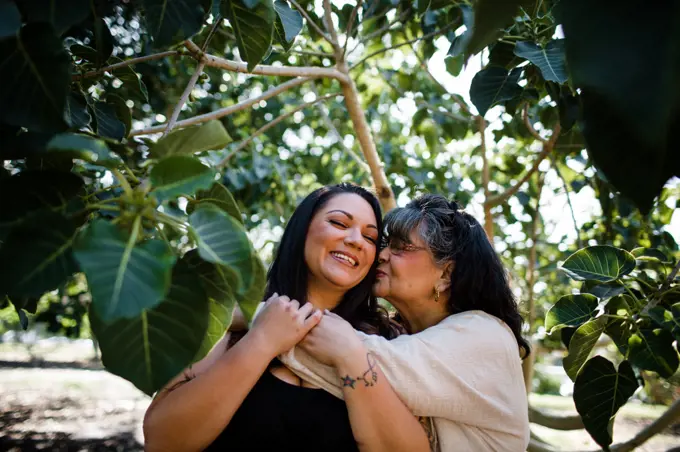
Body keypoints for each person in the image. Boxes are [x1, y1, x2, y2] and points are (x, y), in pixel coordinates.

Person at [142, 183, 430, 452]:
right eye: (339, 223)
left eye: (370, 237)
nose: (356, 240)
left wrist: (350, 355)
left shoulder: (388, 340)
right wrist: (262, 340)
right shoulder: (230, 324)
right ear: (302, 230)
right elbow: (161, 441)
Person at [279, 194, 531, 451]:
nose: (381, 255)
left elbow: (365, 367)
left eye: (401, 247)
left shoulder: (484, 335)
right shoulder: (403, 334)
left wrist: (258, 314)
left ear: (446, 274)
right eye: (386, 244)